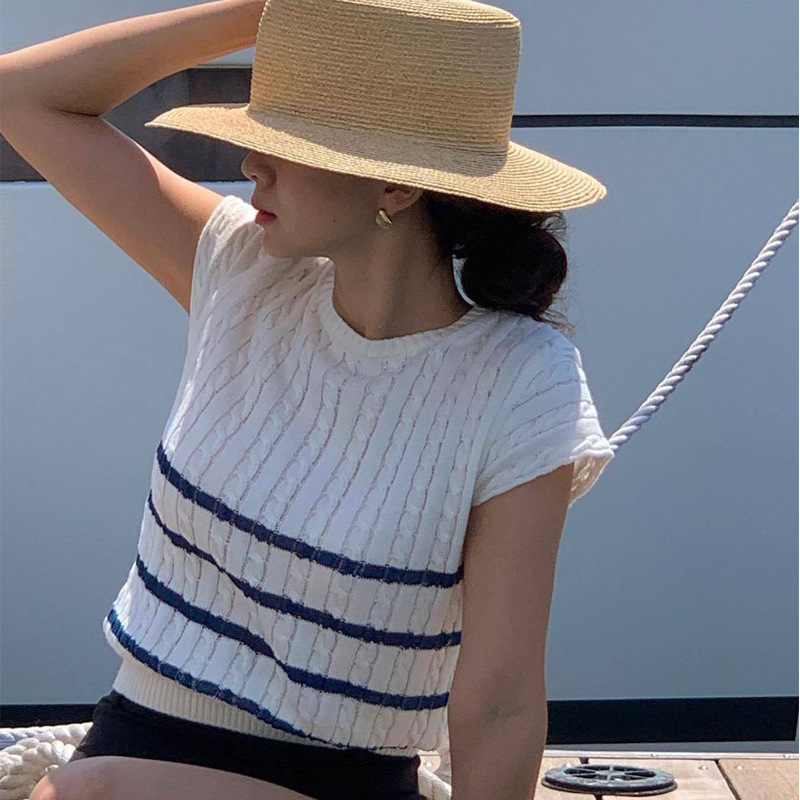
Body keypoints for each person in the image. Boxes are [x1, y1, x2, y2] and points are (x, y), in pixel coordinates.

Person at [0, 1, 616, 798]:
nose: (252, 164)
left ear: (396, 182)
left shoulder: (522, 380)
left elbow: (499, 703)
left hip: (334, 783)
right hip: (132, 739)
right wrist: (264, 8)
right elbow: (21, 97)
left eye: (287, 145)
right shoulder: (241, 269)